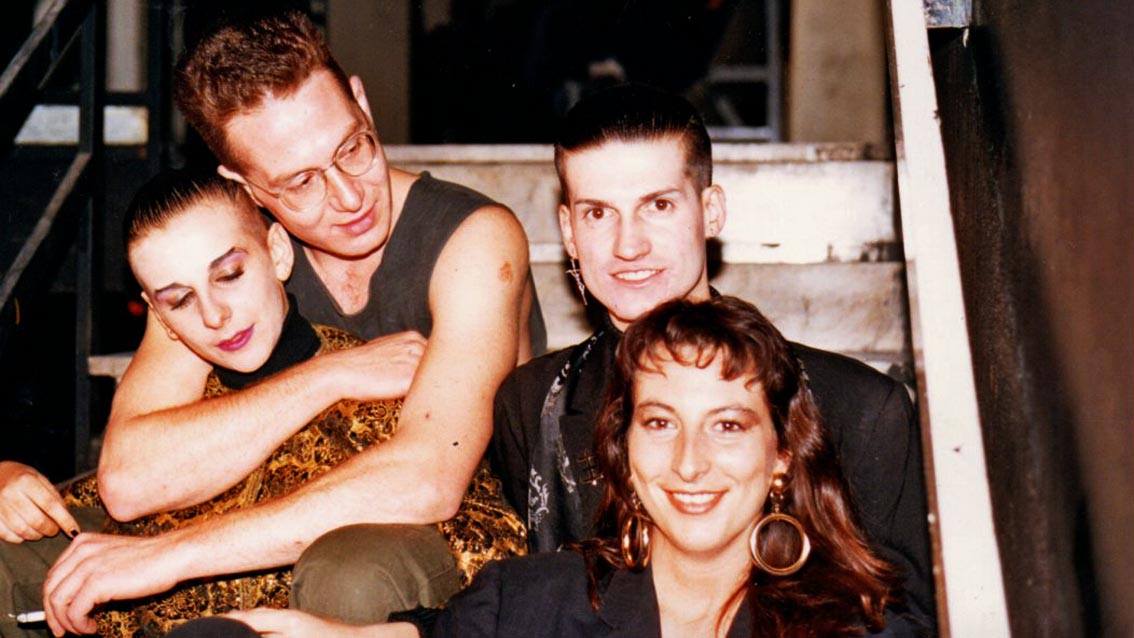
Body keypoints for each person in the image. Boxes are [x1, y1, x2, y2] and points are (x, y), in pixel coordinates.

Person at [0, 7, 544, 636]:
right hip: (244, 511)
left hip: (415, 536)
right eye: (300, 182)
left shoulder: (473, 240)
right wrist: (330, 376)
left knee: (349, 570)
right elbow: (130, 479)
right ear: (245, 186)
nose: (349, 197)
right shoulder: (227, 254)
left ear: (361, 101)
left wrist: (168, 557)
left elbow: (427, 480)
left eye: (352, 147)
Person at [169, 296, 918, 637]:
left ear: (781, 456)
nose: (689, 463)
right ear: (623, 448)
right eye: (660, 423)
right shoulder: (533, 602)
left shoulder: (861, 628)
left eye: (727, 425)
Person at [488, 84, 935, 629]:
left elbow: (902, 617)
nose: (628, 245)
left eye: (658, 206)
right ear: (569, 232)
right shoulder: (532, 403)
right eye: (598, 213)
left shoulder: (859, 408)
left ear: (711, 211)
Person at [40, 172, 523, 636]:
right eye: (180, 300)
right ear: (160, 316)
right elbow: (119, 487)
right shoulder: (181, 418)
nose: (214, 315)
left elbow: (468, 527)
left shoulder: (386, 386)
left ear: (277, 252)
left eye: (230, 275)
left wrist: (171, 557)